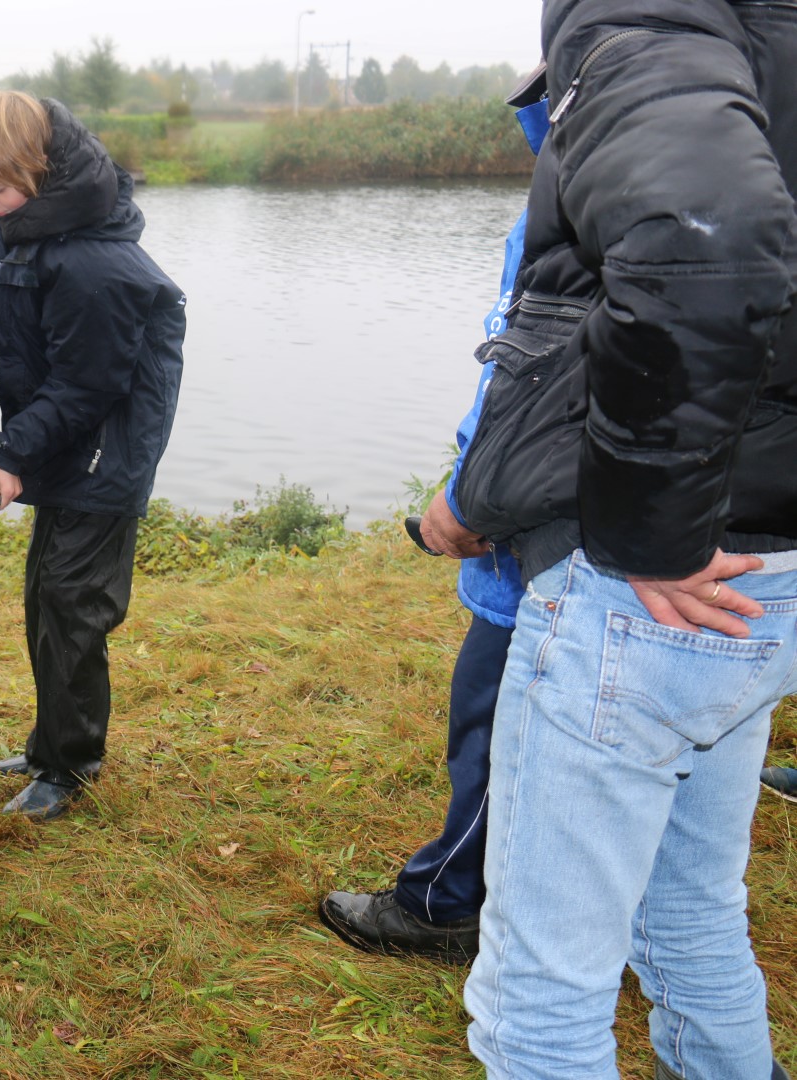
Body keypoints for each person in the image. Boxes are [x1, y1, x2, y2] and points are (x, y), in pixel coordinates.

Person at [454, 3, 797, 1077]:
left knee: (539, 1004)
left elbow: (708, 230)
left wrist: (656, 534)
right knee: (693, 920)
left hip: (664, 587)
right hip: (770, 566)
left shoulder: (655, 12)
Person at [318, 66, 549, 966]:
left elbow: (529, 367)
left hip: (536, 546)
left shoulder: (584, 192)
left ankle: (446, 905)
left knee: (496, 723)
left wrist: (471, 496)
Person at [0, 90, 187, 822]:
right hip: (71, 441)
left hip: (105, 452)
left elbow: (87, 385)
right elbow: (0, 232)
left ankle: (70, 765)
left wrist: (12, 452)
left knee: (74, 605)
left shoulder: (96, 265)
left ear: (42, 175)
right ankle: (52, 743)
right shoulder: (34, 222)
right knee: (45, 595)